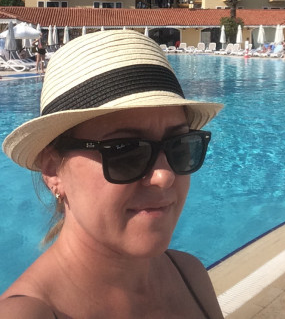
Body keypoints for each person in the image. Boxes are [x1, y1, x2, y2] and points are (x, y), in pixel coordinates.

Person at [0, 30, 224, 318]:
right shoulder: (27, 313)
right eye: (124, 150)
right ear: (53, 170)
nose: (164, 176)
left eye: (179, 145)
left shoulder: (190, 274)